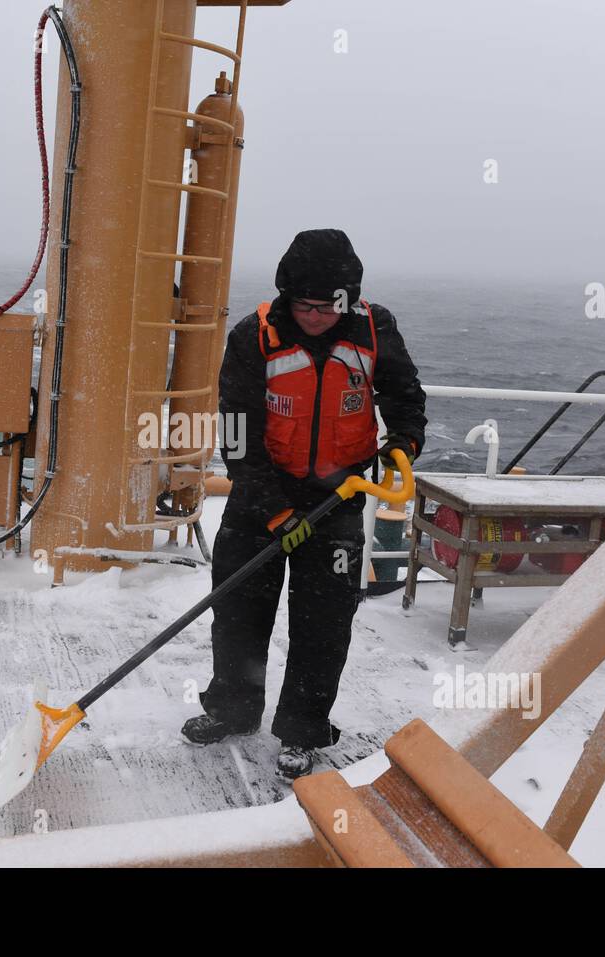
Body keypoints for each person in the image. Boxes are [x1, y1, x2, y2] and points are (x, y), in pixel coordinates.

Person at [182, 228, 428, 779]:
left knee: (323, 623)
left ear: (348, 300)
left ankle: (302, 729)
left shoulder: (375, 329)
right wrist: (276, 512)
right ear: (288, 298)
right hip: (259, 495)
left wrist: (404, 443)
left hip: (338, 498)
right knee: (239, 613)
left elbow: (405, 397)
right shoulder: (255, 336)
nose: (315, 316)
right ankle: (233, 709)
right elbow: (239, 436)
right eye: (305, 305)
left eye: (327, 306)